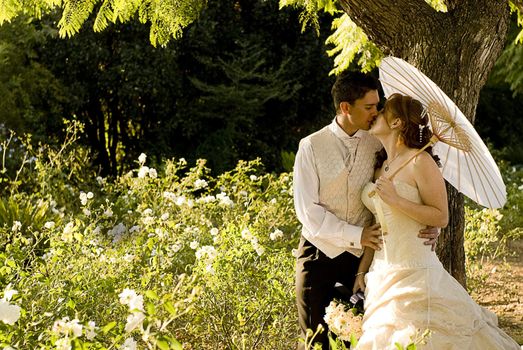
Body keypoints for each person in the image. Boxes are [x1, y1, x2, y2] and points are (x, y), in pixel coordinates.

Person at [353, 93, 521, 349]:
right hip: (381, 273)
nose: (376, 113)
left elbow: (441, 216)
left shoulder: (421, 161)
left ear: (397, 122)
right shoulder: (382, 166)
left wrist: (397, 200)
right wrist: (362, 270)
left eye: (384, 109)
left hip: (415, 272)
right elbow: (379, 227)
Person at [292, 72, 439, 349]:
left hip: (366, 264)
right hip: (318, 257)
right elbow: (308, 213)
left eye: (378, 106)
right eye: (369, 107)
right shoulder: (310, 146)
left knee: (361, 340)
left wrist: (432, 224)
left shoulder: (378, 141)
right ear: (346, 107)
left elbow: (411, 181)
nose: (376, 113)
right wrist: (357, 235)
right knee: (315, 340)